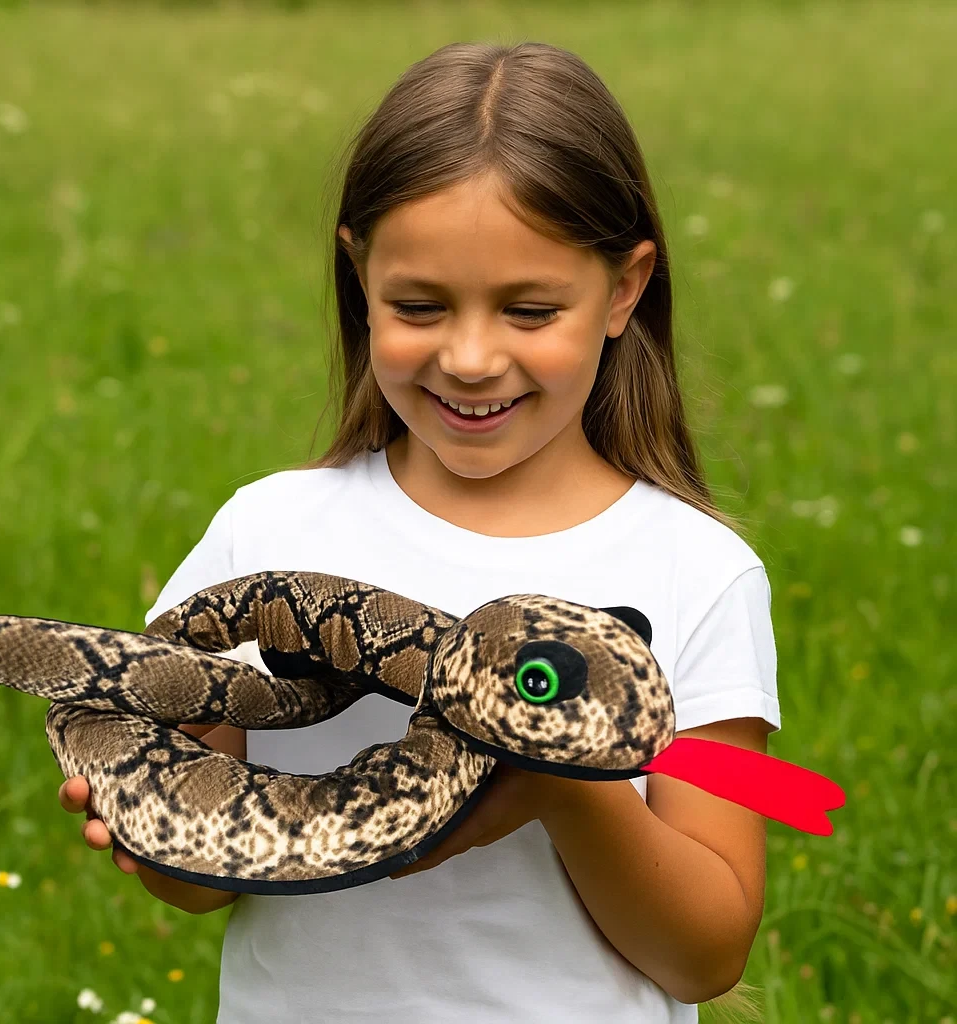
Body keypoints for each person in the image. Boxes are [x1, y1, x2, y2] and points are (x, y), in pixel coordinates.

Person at [59, 40, 779, 1024]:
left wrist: (564, 783)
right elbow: (198, 884)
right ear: (359, 275)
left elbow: (707, 951)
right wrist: (152, 816)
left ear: (624, 289)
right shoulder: (266, 530)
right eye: (418, 306)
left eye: (530, 309)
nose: (470, 357)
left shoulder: (701, 572)